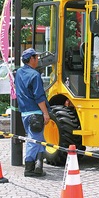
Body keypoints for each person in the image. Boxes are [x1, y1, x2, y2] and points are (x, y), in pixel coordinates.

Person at [15, 48, 50, 177]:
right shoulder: (35, 75)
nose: (38, 60)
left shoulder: (18, 73)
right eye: (36, 57)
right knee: (34, 140)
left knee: (39, 139)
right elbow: (39, 97)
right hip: (35, 113)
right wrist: (46, 113)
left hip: (24, 113)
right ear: (31, 59)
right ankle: (29, 169)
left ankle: (38, 167)